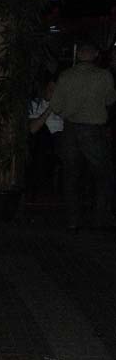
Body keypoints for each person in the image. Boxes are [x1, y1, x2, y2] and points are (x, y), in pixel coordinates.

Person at [50, 40, 116, 231]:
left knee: (71, 176)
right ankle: (99, 218)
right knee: (102, 176)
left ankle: (73, 220)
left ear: (78, 55)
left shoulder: (66, 76)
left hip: (71, 129)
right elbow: (110, 99)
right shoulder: (104, 76)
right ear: (95, 55)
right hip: (94, 130)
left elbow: (56, 106)